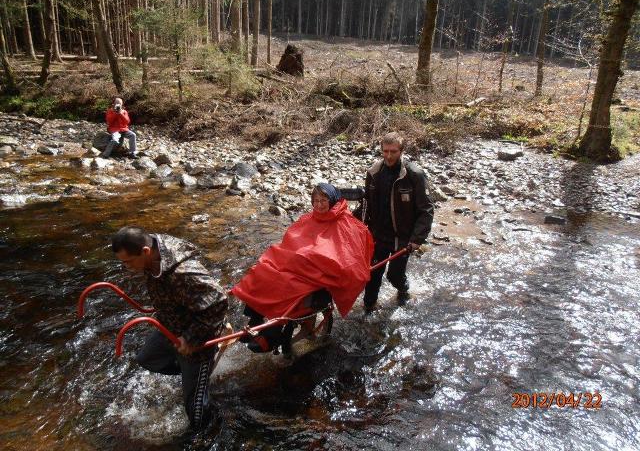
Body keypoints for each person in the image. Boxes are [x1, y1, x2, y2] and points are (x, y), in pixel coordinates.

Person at [231, 183, 374, 354]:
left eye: (324, 201)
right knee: (263, 270)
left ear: (333, 201)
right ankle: (255, 319)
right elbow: (290, 242)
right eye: (316, 201)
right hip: (296, 266)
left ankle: (272, 334)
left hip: (317, 276)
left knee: (288, 285)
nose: (319, 205)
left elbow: (348, 258)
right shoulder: (308, 218)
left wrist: (315, 259)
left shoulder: (347, 224)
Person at [111, 226, 228, 429]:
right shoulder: (152, 247)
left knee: (197, 414)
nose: (127, 268)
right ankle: (194, 379)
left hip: (197, 337)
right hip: (169, 325)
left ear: (145, 252)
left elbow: (218, 301)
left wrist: (191, 338)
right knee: (148, 359)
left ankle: (210, 425)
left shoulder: (182, 272)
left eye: (129, 262)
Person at [357, 132, 434, 314]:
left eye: (393, 151)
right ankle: (369, 307)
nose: (389, 156)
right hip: (378, 235)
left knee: (394, 276)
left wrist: (417, 238)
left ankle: (404, 290)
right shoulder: (374, 173)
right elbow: (366, 205)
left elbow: (426, 210)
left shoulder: (415, 174)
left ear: (402, 151)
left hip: (403, 239)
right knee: (372, 275)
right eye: (385, 151)